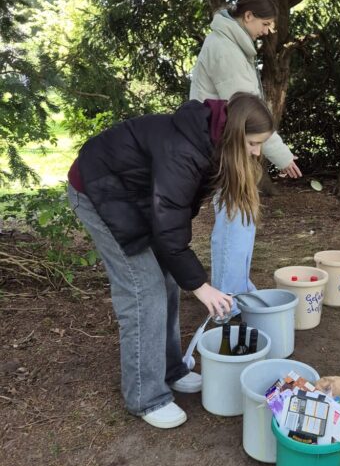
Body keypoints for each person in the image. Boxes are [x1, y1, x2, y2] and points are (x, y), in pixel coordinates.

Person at [67, 93, 274, 428]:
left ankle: (171, 369)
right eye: (253, 143)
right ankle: (146, 396)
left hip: (136, 196)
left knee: (167, 281)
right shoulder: (185, 150)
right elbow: (169, 224)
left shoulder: (210, 144)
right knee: (144, 291)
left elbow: (172, 217)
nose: (257, 153)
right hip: (99, 191)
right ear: (236, 135)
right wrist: (201, 286)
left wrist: (186, 274)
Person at [189, 0, 301, 303]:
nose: (267, 31)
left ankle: (237, 288)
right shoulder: (225, 49)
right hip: (224, 147)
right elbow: (247, 114)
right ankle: (230, 297)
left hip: (230, 144)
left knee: (239, 217)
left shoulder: (233, 44)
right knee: (235, 219)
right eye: (264, 24)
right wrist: (281, 155)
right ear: (248, 16)